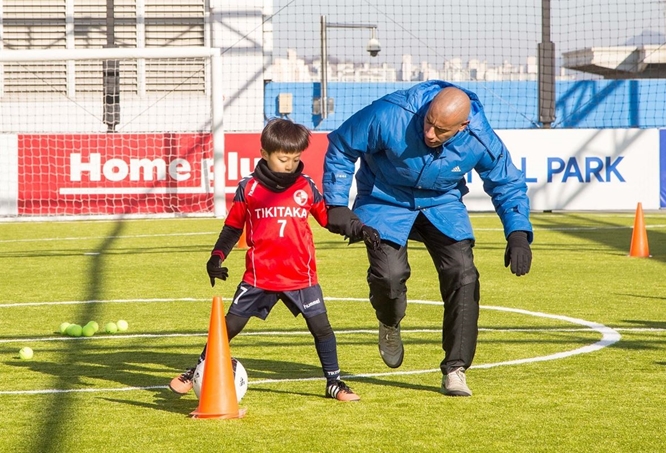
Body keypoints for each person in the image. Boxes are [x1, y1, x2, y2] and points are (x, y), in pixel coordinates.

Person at [323, 80, 533, 397]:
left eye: (441, 130)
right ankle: (389, 322)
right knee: (389, 276)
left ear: (463, 126)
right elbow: (341, 145)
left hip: (441, 204)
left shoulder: (479, 136)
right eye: (428, 123)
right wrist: (336, 204)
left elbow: (506, 181)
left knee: (463, 274)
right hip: (384, 200)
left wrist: (517, 231)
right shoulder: (389, 113)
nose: (430, 134)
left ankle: (455, 369)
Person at [169, 118, 379, 402]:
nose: (290, 165)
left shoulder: (306, 186)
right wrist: (216, 257)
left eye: (295, 159)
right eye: (283, 159)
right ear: (264, 154)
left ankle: (334, 383)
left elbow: (328, 217)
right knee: (228, 327)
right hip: (259, 277)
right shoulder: (249, 189)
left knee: (322, 329)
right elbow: (233, 227)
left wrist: (359, 227)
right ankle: (197, 369)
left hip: (300, 278)